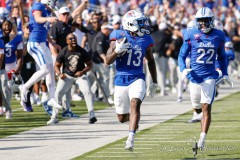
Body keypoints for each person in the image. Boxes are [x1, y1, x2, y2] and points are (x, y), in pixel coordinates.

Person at [106, 9, 157, 151]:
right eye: (139, 23)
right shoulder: (118, 35)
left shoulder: (146, 38)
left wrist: (154, 81)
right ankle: (133, 121)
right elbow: (107, 60)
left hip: (137, 77)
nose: (143, 25)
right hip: (121, 79)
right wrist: (116, 51)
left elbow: (151, 60)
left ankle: (131, 138)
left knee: (135, 103)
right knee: (121, 118)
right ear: (130, 24)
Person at [178, 7, 228, 150]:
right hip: (194, 76)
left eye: (206, 21)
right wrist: (183, 69)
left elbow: (222, 57)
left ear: (211, 21)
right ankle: (197, 114)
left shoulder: (218, 35)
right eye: (200, 21)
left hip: (209, 76)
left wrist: (224, 73)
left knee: (206, 107)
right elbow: (182, 55)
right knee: (197, 106)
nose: (203, 24)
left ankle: (202, 139)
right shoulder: (191, 33)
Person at [18, 0, 63, 124]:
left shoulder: (45, 9)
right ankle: (25, 87)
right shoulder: (38, 5)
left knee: (51, 73)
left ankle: (53, 102)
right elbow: (38, 19)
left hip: (42, 43)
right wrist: (48, 19)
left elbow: (43, 29)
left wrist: (52, 42)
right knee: (45, 69)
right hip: (35, 43)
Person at [48, 33, 97, 125]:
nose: (73, 40)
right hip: (67, 75)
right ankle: (54, 117)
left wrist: (82, 71)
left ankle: (92, 115)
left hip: (80, 76)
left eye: (74, 38)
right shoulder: (63, 51)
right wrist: (59, 74)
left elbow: (90, 64)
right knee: (58, 92)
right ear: (67, 41)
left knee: (87, 91)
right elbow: (57, 66)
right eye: (70, 39)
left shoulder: (82, 51)